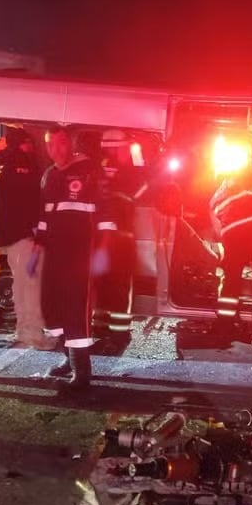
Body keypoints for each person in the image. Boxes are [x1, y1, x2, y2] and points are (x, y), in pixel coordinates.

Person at [35, 125, 114, 390]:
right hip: (55, 255)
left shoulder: (90, 170)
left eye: (60, 143)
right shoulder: (49, 175)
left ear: (70, 144)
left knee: (76, 310)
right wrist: (37, 249)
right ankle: (67, 360)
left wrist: (103, 250)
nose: (54, 150)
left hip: (81, 254)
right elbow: (45, 217)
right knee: (53, 308)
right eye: (49, 144)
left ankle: (82, 374)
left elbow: (105, 214)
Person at [209, 140, 252, 338]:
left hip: (234, 236)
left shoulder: (215, 198)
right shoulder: (248, 183)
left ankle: (224, 327)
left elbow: (217, 231)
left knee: (231, 281)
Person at [0, 126, 50, 349]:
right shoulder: (21, 163)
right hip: (26, 235)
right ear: (22, 144)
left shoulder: (1, 163)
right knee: (31, 285)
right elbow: (30, 199)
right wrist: (37, 228)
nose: (32, 148)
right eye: (30, 144)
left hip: (9, 236)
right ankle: (33, 334)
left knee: (20, 284)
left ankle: (23, 329)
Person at [92, 129, 148, 353]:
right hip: (121, 238)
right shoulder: (129, 173)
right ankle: (116, 335)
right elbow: (143, 189)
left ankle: (105, 332)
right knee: (118, 289)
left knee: (105, 288)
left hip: (103, 238)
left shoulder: (97, 169)